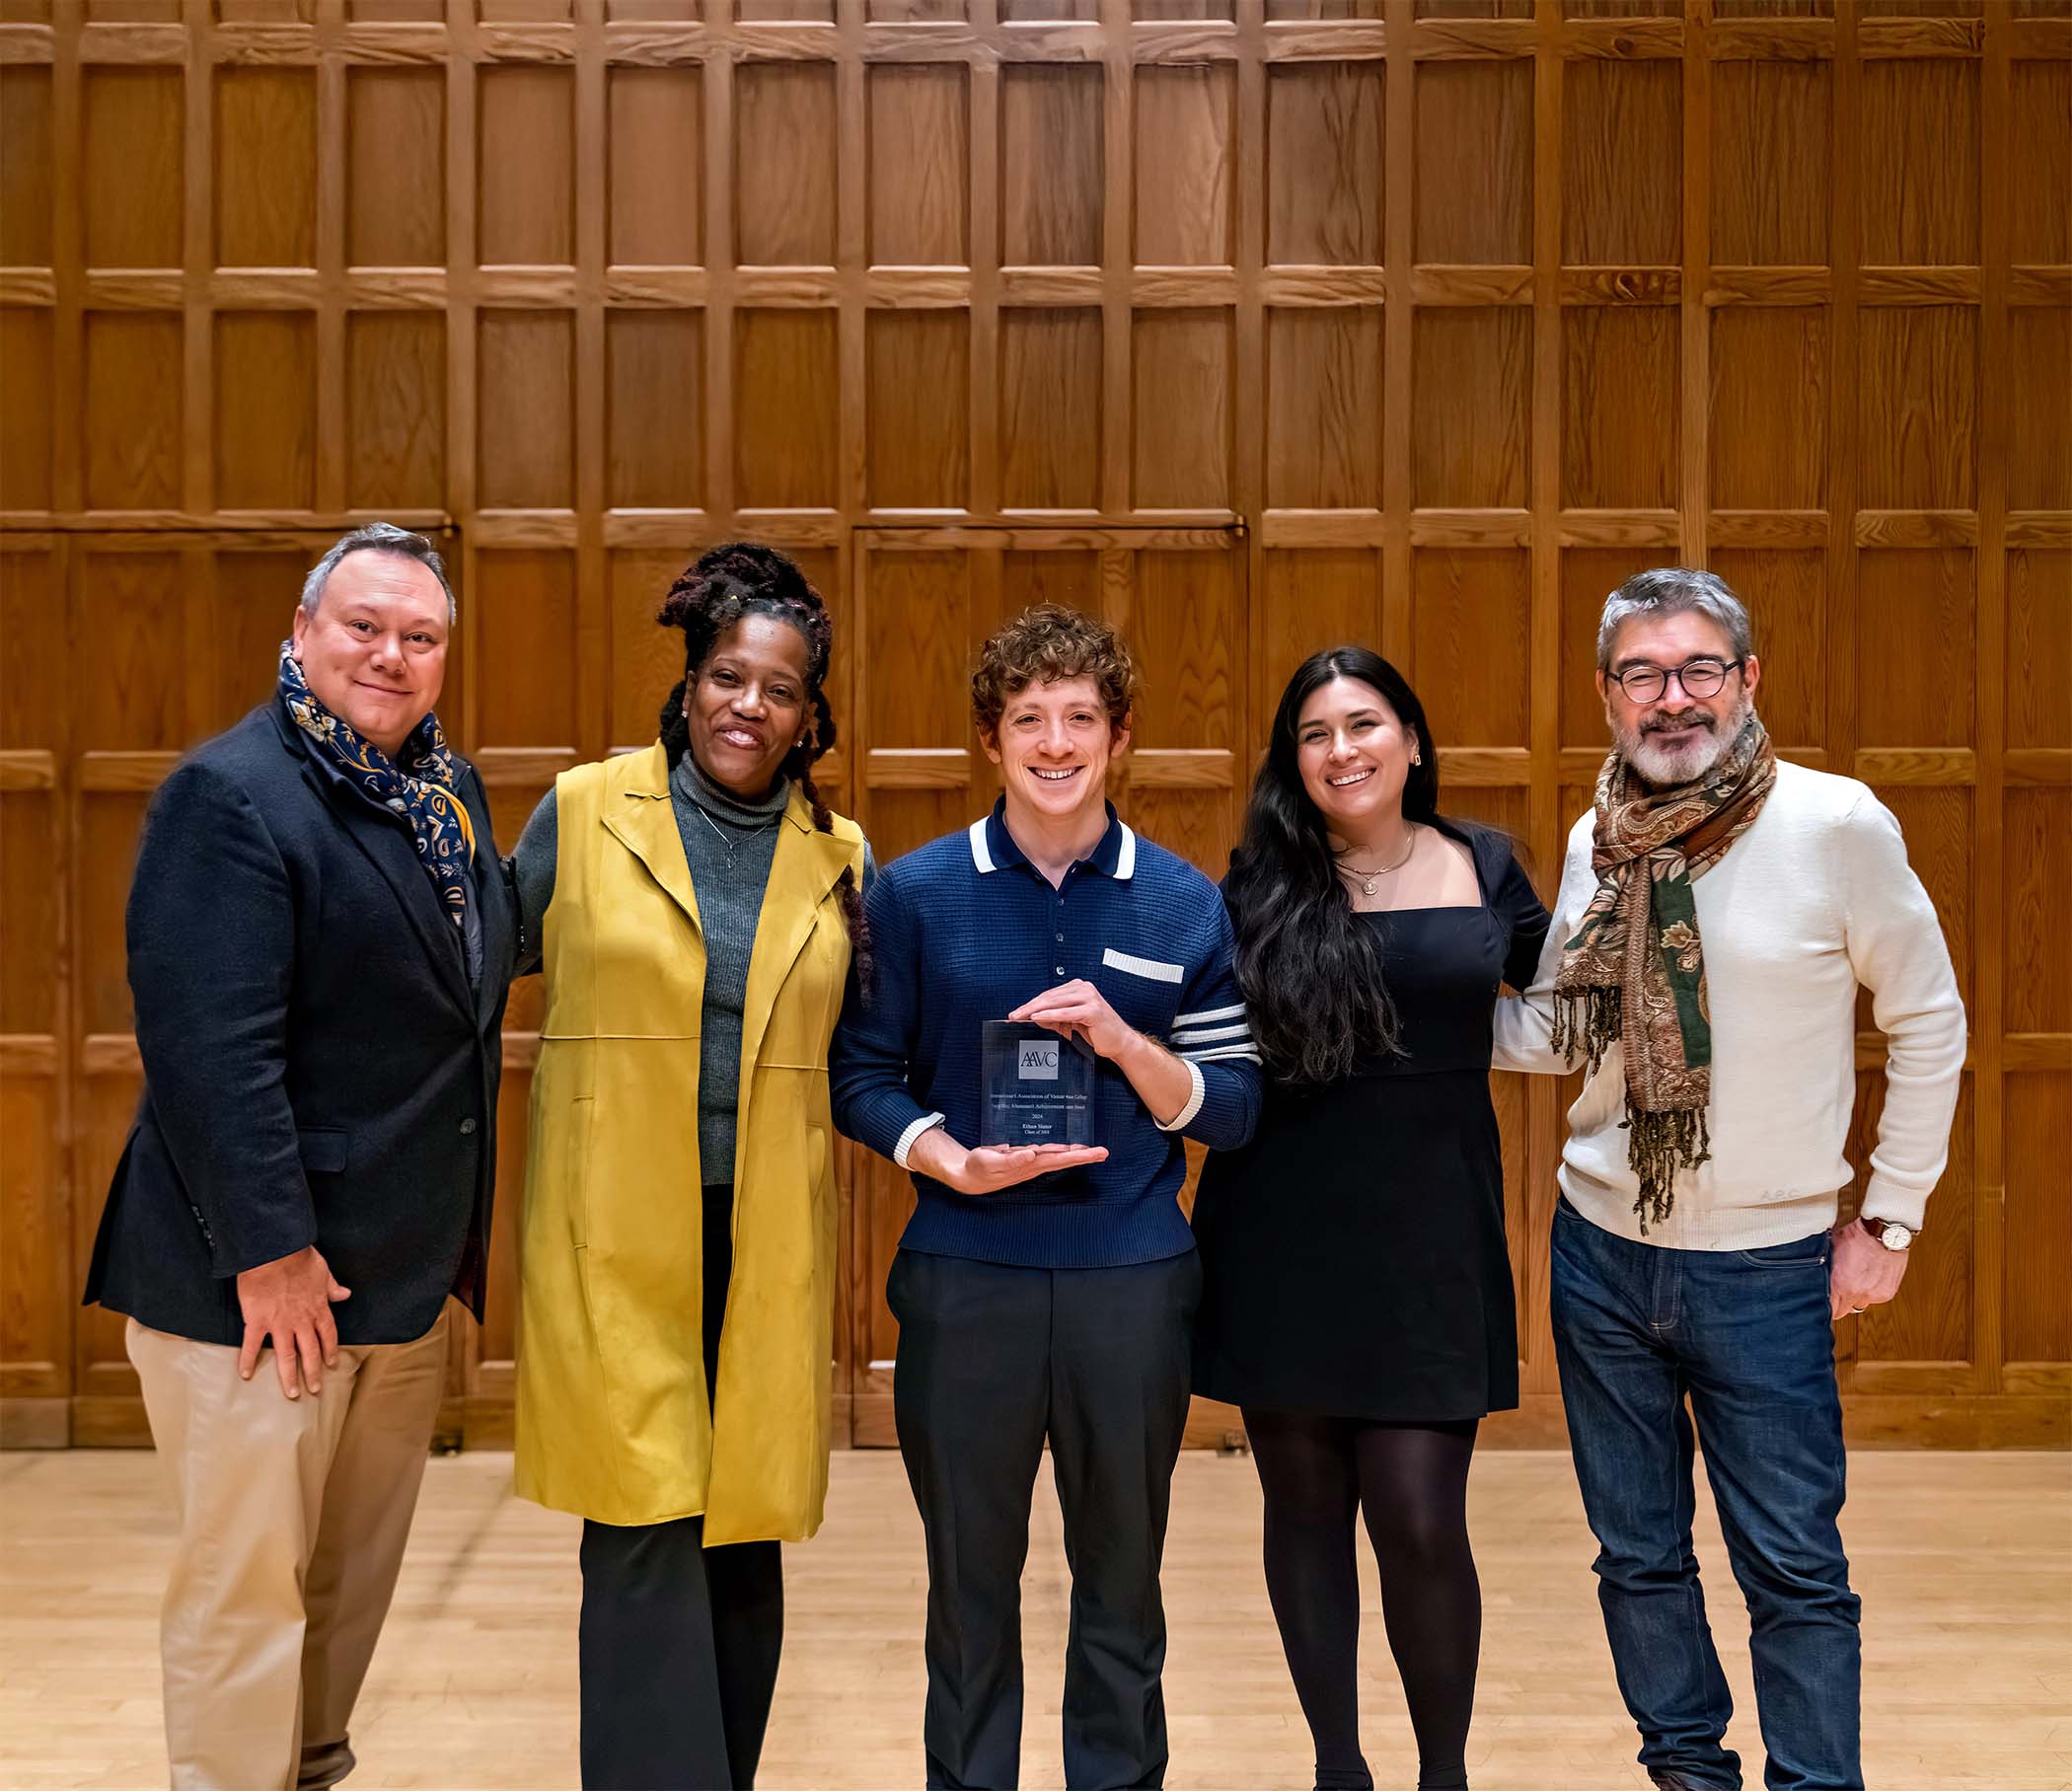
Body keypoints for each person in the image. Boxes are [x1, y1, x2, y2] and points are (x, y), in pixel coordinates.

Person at [1494, 566, 1965, 1791]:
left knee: (1794, 1569)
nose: (1672, 699)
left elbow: (1931, 1021)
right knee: (1638, 1557)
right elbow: (1561, 1032)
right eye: (1643, 674)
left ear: (1747, 681)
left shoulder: (1837, 824)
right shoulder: (1602, 835)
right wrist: (1392, 993)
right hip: (1600, 1250)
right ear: (1607, 695)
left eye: (1699, 668)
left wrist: (1891, 1220)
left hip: (1768, 1267)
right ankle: (1688, 1775)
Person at [83, 523, 515, 1791]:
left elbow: (462, 971)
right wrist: (269, 1254)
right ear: (303, 628)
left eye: (420, 637)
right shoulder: (230, 795)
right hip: (260, 1291)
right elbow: (211, 1054)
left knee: (343, 1587)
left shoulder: (444, 794)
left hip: (394, 1273)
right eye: (365, 627)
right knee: (247, 1594)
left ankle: (307, 1771)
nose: (391, 655)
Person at [830, 604, 1263, 1791]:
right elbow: (859, 1076)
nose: (1056, 742)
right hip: (967, 1280)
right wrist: (948, 1158)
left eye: (1081, 717)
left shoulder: (1182, 903)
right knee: (970, 1589)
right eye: (1031, 719)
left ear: (1120, 737)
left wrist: (1127, 1045)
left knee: (1123, 1584)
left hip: (1131, 1279)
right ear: (991, 738)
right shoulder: (914, 894)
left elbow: (1231, 1106)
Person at [506, 542, 870, 1791]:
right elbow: (455, 977)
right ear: (688, 682)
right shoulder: (585, 807)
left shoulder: (842, 854)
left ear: (810, 711)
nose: (748, 707)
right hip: (615, 1226)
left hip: (763, 1229)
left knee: (743, 1529)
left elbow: (873, 1044)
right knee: (645, 1525)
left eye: (779, 688)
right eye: (728, 676)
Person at [1190, 647, 1549, 1791]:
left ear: (1413, 740)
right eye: (1314, 733)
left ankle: (1443, 1774)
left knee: (1419, 1516)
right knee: (1304, 1511)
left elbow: (1570, 1010)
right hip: (1282, 1228)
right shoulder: (1257, 885)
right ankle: (1337, 1767)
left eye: (1363, 724)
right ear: (1293, 762)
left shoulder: (1488, 865)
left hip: (1433, 1232)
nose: (1341, 749)